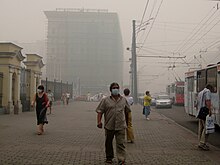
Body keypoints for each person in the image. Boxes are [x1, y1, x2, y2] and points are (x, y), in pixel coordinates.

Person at [96, 82, 131, 165]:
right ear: (111, 90)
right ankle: (109, 158)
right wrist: (99, 122)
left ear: (119, 89)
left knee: (121, 144)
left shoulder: (123, 100)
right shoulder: (105, 100)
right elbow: (100, 111)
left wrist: (127, 123)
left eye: (117, 88)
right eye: (114, 88)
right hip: (109, 125)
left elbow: (127, 112)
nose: (115, 89)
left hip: (121, 125)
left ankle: (121, 159)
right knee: (108, 143)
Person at [197, 84, 213, 150]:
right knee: (206, 128)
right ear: (210, 88)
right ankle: (203, 143)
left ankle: (199, 142)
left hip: (200, 112)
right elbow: (208, 101)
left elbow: (197, 103)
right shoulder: (208, 91)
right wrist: (210, 110)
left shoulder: (200, 92)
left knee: (201, 128)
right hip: (205, 112)